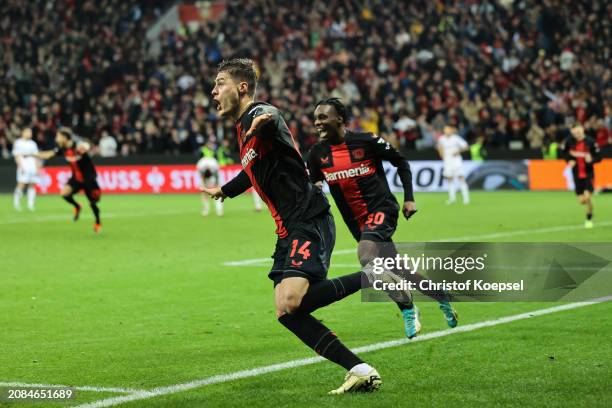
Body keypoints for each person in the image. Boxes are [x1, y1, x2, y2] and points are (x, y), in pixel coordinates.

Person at [202, 58, 393, 394]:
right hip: (287, 229)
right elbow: (252, 169)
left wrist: (263, 120)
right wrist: (225, 191)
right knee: (286, 311)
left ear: (241, 87)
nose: (213, 91)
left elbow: (272, 117)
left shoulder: (259, 114)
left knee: (291, 299)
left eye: (220, 83)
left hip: (308, 218)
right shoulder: (242, 131)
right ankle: (360, 369)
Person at [307, 98, 458, 338]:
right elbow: (315, 186)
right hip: (356, 222)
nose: (317, 122)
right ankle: (440, 295)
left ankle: (407, 308)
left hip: (382, 210)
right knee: (395, 269)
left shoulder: (366, 141)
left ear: (340, 119)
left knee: (367, 257)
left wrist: (409, 198)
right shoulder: (317, 153)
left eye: (323, 117)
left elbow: (400, 162)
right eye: (316, 118)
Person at [38, 128, 102, 233]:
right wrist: (32, 154)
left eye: (58, 136)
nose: (56, 138)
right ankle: (77, 206)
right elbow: (49, 154)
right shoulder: (62, 149)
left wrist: (86, 146)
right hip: (76, 179)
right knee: (64, 193)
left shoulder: (78, 145)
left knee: (93, 203)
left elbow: (88, 145)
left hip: (88, 179)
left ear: (64, 137)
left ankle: (98, 222)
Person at [562, 124, 601, 228]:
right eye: (574, 132)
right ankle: (590, 206)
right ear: (572, 132)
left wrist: (591, 160)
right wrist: (569, 160)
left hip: (588, 173)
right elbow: (564, 153)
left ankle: (589, 218)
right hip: (576, 174)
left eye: (578, 131)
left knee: (587, 195)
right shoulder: (569, 142)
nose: (576, 134)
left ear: (582, 130)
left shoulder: (591, 142)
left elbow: (599, 157)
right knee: (582, 200)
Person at [437, 126, 470, 204]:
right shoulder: (441, 138)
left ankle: (466, 199)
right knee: (449, 178)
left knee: (461, 177)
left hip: (456, 160)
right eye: (445, 129)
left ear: (451, 131)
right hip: (447, 161)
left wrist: (458, 151)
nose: (446, 131)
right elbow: (440, 147)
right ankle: (452, 198)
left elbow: (466, 146)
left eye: (448, 129)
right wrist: (442, 155)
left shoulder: (456, 138)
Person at [12, 128, 40, 211]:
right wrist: (20, 166)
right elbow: (16, 155)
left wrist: (37, 167)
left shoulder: (33, 143)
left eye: (30, 132)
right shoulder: (18, 142)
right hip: (23, 162)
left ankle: (30, 204)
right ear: (23, 132)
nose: (30, 133)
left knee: (32, 184)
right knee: (21, 184)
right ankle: (16, 203)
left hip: (32, 164)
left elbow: (36, 156)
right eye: (28, 132)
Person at [198, 140, 223, 216]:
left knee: (210, 194)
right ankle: (218, 210)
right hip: (209, 179)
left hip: (212, 179)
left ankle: (208, 210)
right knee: (214, 194)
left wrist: (216, 183)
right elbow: (201, 174)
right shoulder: (212, 161)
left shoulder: (202, 162)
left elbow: (216, 174)